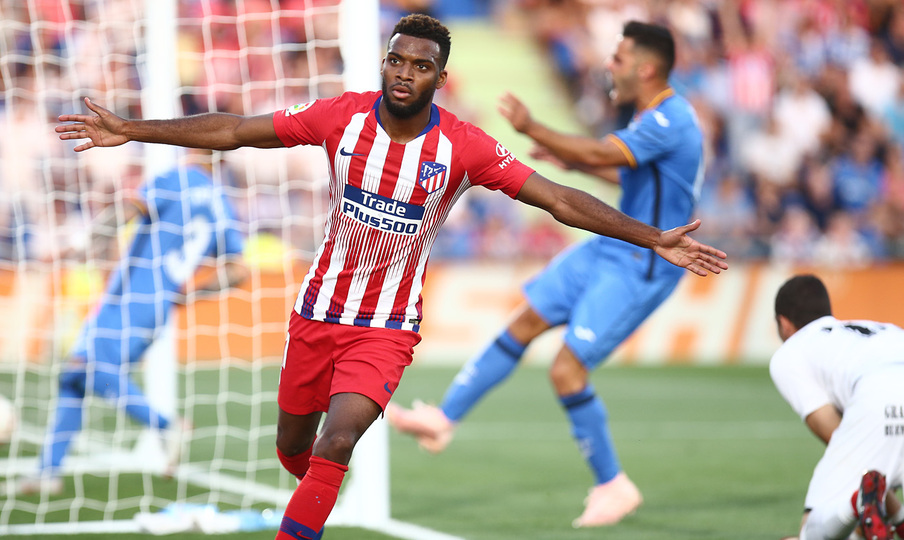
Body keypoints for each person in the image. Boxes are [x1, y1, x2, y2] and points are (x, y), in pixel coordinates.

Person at [55, 14, 727, 540]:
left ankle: (318, 490)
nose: (405, 72)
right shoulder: (340, 118)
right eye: (397, 60)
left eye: (421, 65)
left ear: (440, 77)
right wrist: (132, 129)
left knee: (337, 438)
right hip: (317, 314)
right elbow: (234, 130)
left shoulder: (462, 146)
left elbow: (555, 196)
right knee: (295, 446)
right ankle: (316, 484)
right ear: (386, 64)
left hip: (385, 331)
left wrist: (650, 236)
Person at [386, 20, 703, 528]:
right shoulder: (651, 116)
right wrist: (572, 164)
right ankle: (443, 420)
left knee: (565, 370)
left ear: (645, 68)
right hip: (609, 246)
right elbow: (626, 171)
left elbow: (605, 153)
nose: (608, 65)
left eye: (618, 59)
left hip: (645, 262)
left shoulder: (673, 120)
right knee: (524, 320)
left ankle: (613, 484)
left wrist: (533, 128)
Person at [17, 150, 248, 495]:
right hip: (158, 305)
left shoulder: (176, 178)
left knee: (86, 366)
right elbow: (239, 270)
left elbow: (130, 207)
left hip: (131, 296)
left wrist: (92, 239)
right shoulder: (221, 204)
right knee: (73, 379)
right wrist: (188, 293)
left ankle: (166, 425)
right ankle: (48, 472)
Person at [770, 274, 904, 540]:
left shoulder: (792, 351)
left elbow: (841, 439)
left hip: (883, 387)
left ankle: (854, 506)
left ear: (784, 323)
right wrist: (900, 519)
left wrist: (869, 502)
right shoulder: (867, 329)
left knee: (812, 533)